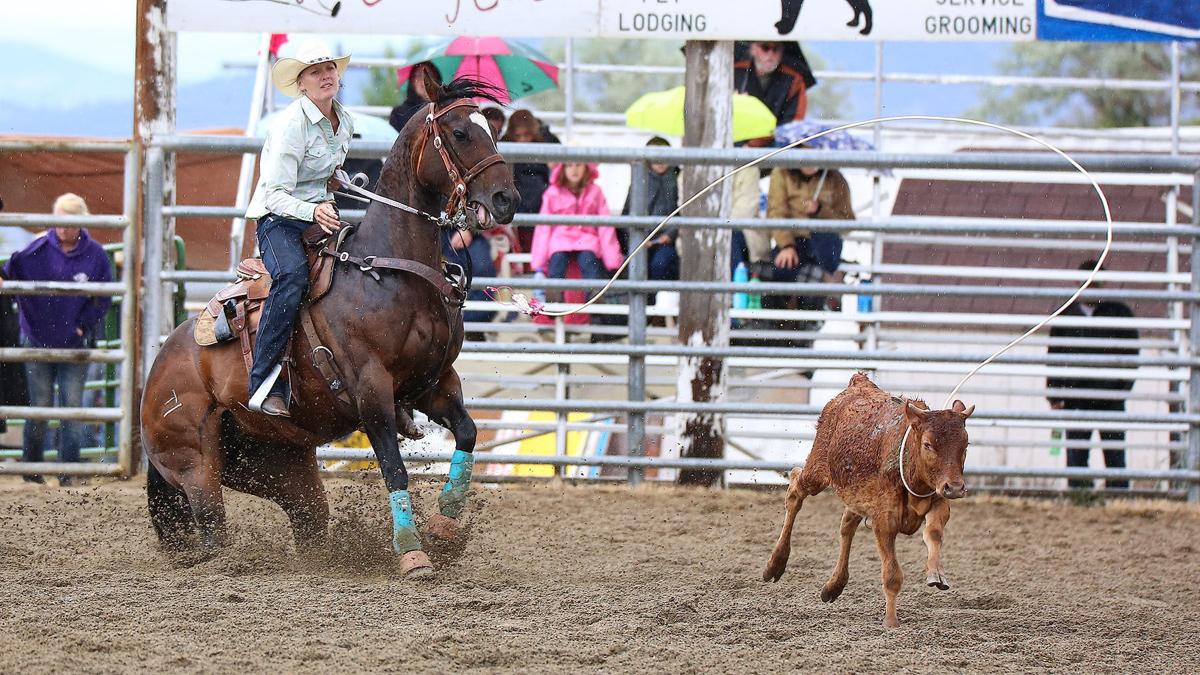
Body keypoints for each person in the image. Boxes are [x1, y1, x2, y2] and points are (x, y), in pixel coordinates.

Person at [244, 39, 354, 417]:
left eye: (329, 69)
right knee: (291, 277)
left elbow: (325, 172)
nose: (325, 76)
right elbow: (274, 195)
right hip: (279, 221)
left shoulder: (345, 120)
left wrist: (337, 181)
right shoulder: (291, 124)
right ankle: (264, 382)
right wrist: (313, 210)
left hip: (320, 213)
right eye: (315, 71)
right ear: (301, 84)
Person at [0, 193, 113, 485]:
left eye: (69, 222)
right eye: (59, 221)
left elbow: (103, 298)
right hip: (37, 340)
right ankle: (31, 470)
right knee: (39, 407)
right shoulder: (35, 250)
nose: (63, 228)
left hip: (74, 345)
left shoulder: (95, 255)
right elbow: (8, 277)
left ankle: (68, 473)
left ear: (79, 223)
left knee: (71, 408)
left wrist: (83, 326)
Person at [1047, 261, 1138, 491]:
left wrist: (1121, 388)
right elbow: (1055, 355)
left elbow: (1131, 355)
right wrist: (1055, 393)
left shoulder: (1119, 314)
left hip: (1109, 396)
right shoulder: (1065, 315)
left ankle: (1118, 495)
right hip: (1076, 397)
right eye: (1088, 283)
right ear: (1079, 284)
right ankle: (1080, 495)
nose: (1092, 288)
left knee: (1114, 451)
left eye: (1096, 284)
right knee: (1077, 452)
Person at [732, 41, 817, 277]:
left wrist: (755, 142)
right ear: (753, 48)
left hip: (771, 149)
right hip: (738, 150)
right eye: (764, 48)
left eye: (775, 49)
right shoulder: (732, 72)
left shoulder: (793, 79)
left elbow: (792, 128)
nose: (769, 55)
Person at [530, 162, 623, 303]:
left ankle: (594, 296)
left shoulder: (595, 191)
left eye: (579, 165)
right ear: (562, 169)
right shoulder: (553, 192)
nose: (574, 169)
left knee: (589, 260)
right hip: (561, 239)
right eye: (569, 165)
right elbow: (544, 227)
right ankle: (554, 298)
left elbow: (605, 226)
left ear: (586, 168)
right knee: (557, 260)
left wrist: (612, 258)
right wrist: (539, 261)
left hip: (587, 240)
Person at [621, 136, 680, 283]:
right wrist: (638, 238)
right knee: (637, 263)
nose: (659, 162)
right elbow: (627, 213)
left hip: (667, 241)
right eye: (655, 157)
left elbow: (680, 212)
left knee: (661, 263)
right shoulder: (639, 180)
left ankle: (656, 301)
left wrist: (670, 235)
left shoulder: (678, 179)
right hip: (642, 240)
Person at [502, 110, 557, 259]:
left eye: (527, 135)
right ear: (512, 134)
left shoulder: (546, 144)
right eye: (518, 136)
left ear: (533, 132)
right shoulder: (504, 145)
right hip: (519, 196)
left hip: (538, 197)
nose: (523, 140)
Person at [389, 61, 441, 134]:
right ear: (412, 81)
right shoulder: (399, 114)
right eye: (419, 75)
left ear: (436, 80)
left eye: (429, 75)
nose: (424, 80)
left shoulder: (443, 110)